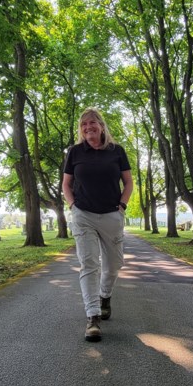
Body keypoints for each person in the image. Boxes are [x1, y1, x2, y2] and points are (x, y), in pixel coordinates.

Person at [62, 107, 133, 342]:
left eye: (92, 123)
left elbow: (128, 183)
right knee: (89, 264)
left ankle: (105, 296)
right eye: (83, 125)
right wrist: (73, 206)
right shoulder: (74, 152)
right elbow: (66, 184)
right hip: (83, 215)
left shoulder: (117, 151)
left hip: (111, 215)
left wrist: (122, 206)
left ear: (101, 126)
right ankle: (92, 317)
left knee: (114, 264)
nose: (88, 127)